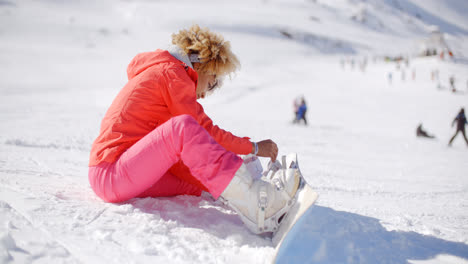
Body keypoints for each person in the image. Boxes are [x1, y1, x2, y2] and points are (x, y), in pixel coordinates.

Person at [88, 25, 301, 235]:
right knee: (184, 128)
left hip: (112, 173)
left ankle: (257, 193)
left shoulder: (165, 74)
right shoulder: (172, 74)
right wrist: (253, 147)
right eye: (212, 83)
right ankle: (257, 205)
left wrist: (234, 179)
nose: (207, 93)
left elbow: (190, 153)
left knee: (197, 181)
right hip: (112, 171)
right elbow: (202, 130)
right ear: (201, 66)